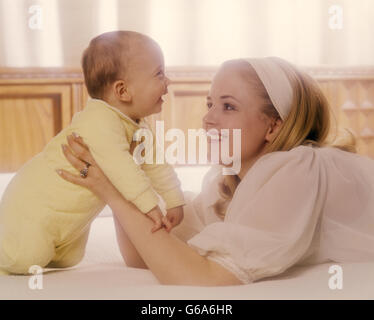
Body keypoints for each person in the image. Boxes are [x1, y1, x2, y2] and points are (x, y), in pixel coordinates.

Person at [56, 57, 374, 286]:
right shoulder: (230, 182)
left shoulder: (297, 168)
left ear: (273, 126)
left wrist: (112, 195)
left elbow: (201, 277)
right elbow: (145, 256)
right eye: (210, 104)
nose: (208, 119)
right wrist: (123, 171)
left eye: (228, 106)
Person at [0, 31, 185, 275]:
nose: (168, 80)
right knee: (23, 258)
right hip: (35, 205)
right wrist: (151, 207)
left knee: (71, 257)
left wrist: (174, 201)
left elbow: (156, 165)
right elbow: (123, 170)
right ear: (122, 91)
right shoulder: (99, 120)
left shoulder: (138, 126)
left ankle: (55, 249)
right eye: (159, 73)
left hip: (69, 222)